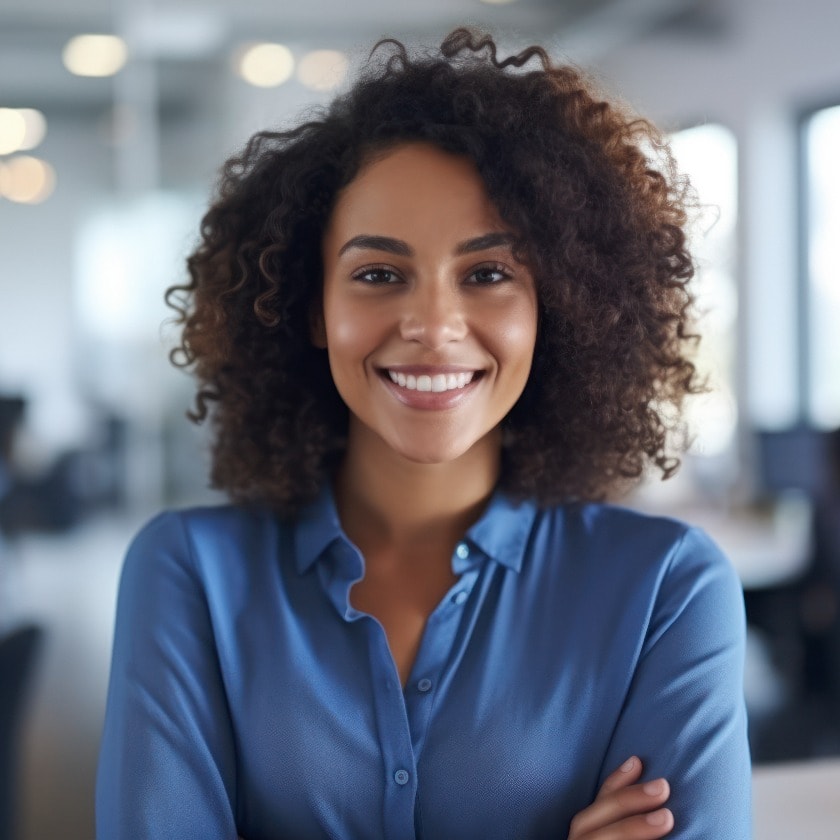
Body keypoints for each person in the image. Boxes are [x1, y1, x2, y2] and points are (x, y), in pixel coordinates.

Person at [96, 28, 751, 839]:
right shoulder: (188, 574)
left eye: (488, 275)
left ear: (559, 306)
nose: (434, 327)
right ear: (311, 307)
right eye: (378, 274)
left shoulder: (666, 591)